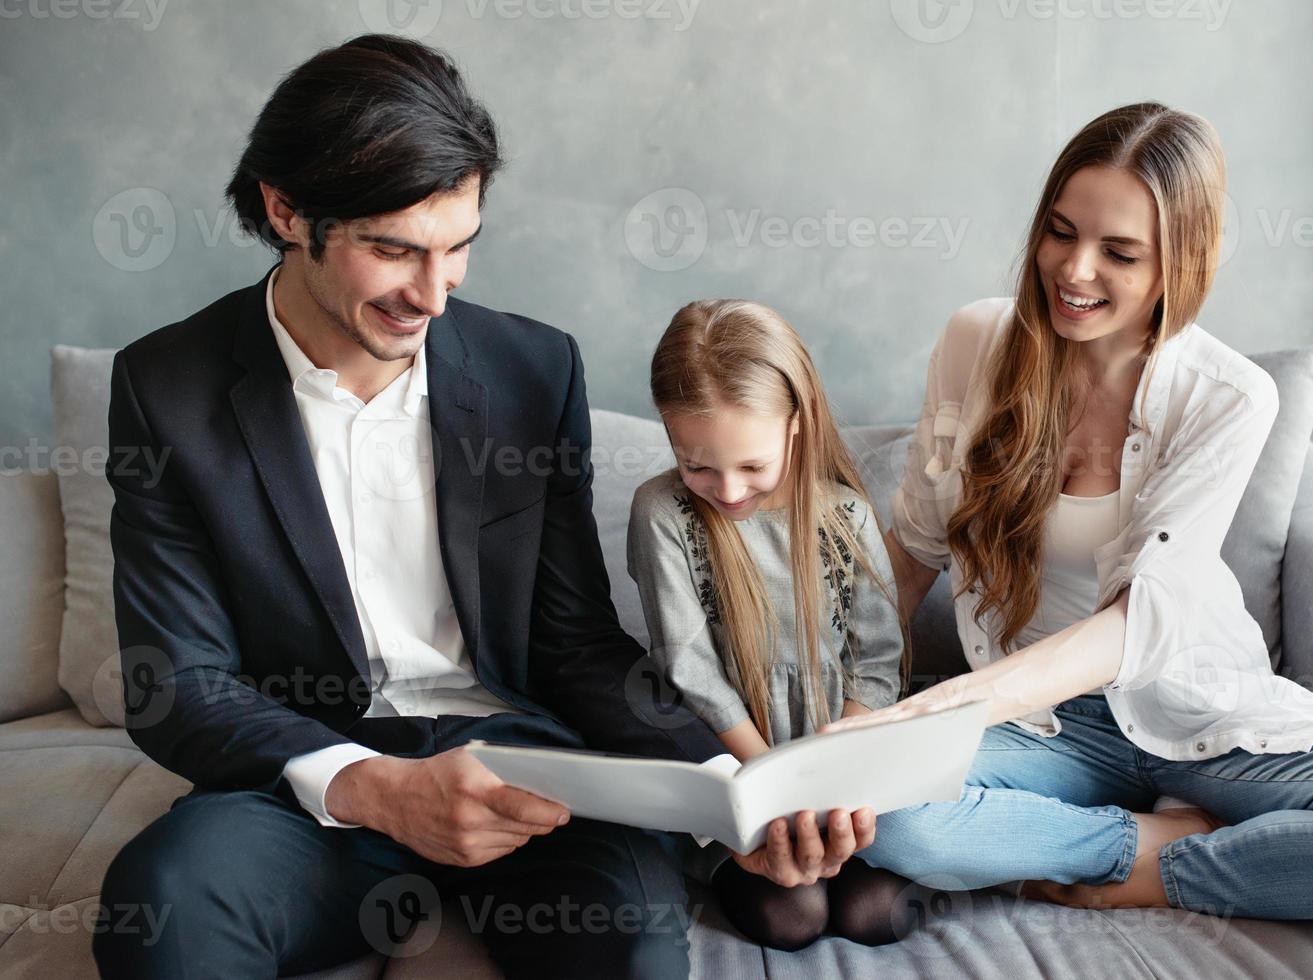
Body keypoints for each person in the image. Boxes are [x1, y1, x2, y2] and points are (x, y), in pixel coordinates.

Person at [92, 35, 868, 979]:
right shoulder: (165, 386)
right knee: (165, 902)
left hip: (527, 782)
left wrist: (726, 791)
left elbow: (574, 642)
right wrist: (378, 789)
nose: (433, 292)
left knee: (634, 940)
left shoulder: (532, 370)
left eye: (457, 247)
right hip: (320, 794)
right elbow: (180, 680)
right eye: (392, 250)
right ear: (287, 210)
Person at [824, 102, 1313, 919]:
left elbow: (1140, 621)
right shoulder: (975, 343)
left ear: (1179, 264)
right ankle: (1128, 841)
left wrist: (937, 707)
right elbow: (912, 552)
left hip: (1197, 712)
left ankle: (1149, 871)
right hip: (1044, 729)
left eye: (1119, 253)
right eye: (1059, 233)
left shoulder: (1228, 396)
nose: (1074, 270)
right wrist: (852, 721)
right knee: (888, 821)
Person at [627, 299, 915, 949]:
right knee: (795, 917)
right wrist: (775, 788)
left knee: (877, 913)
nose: (726, 491)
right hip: (734, 762)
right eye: (696, 464)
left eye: (750, 466)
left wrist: (830, 781)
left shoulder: (844, 514)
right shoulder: (661, 512)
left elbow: (874, 660)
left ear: (794, 422)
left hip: (838, 760)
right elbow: (690, 669)